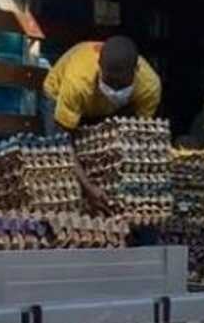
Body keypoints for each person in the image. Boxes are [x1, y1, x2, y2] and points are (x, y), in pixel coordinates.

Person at [41, 36, 162, 212]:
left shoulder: (149, 86)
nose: (114, 89)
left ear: (136, 70)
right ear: (99, 66)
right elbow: (61, 142)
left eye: (121, 83)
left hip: (103, 106)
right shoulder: (77, 80)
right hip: (59, 94)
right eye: (110, 81)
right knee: (57, 160)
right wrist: (88, 187)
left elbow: (139, 135)